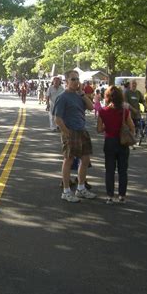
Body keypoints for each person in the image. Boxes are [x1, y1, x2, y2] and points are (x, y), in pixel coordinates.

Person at [53, 70, 96, 203]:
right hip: (70, 132)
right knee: (68, 160)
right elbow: (57, 119)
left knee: (85, 159)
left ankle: (81, 188)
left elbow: (91, 107)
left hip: (82, 131)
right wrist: (67, 133)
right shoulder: (63, 97)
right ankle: (66, 191)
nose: (76, 82)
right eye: (73, 79)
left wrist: (82, 94)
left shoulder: (79, 96)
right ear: (66, 81)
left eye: (77, 79)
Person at [97, 86, 135, 204]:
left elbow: (99, 129)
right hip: (122, 142)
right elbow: (132, 127)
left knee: (109, 170)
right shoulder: (125, 111)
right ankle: (122, 196)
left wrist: (107, 127)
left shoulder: (102, 111)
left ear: (107, 97)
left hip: (109, 142)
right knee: (123, 170)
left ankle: (110, 196)